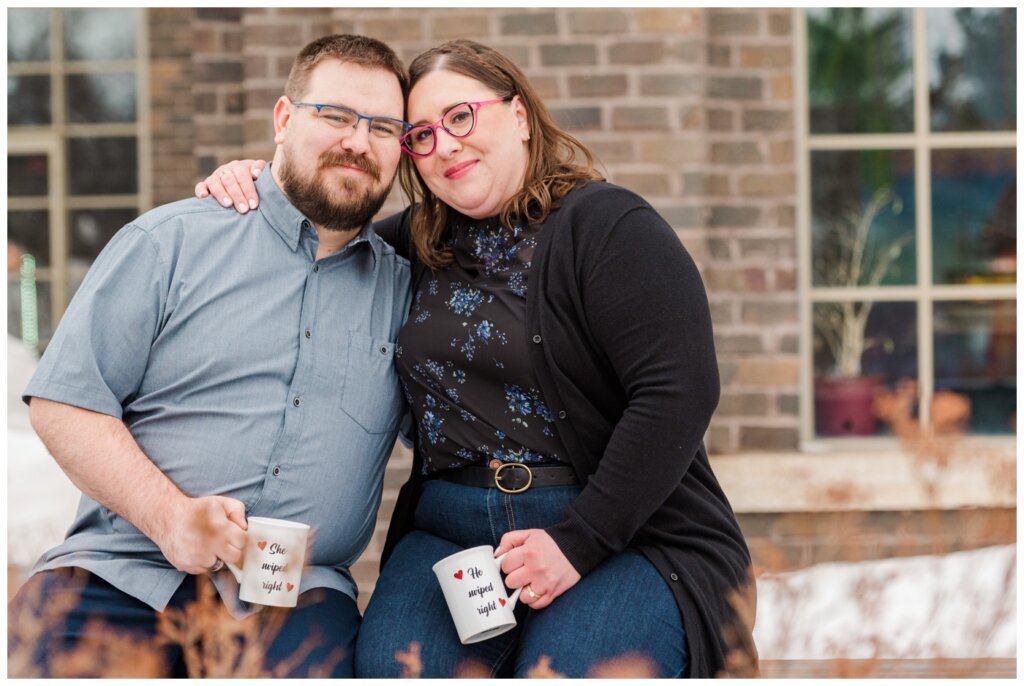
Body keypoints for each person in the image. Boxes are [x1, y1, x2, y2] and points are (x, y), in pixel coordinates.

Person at [199, 39, 758, 678]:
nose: (447, 145)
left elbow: (680, 391)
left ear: (519, 116)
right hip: (450, 537)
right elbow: (314, 248)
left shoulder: (606, 227)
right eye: (421, 136)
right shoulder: (408, 244)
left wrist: (578, 542)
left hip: (621, 532)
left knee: (568, 668)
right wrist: (261, 180)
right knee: (397, 669)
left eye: (461, 117)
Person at [9, 34, 412, 678]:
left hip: (295, 608)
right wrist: (170, 518)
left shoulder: (409, 295)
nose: (358, 142)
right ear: (284, 120)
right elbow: (63, 402)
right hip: (120, 575)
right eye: (335, 115)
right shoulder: (169, 243)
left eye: (383, 127)